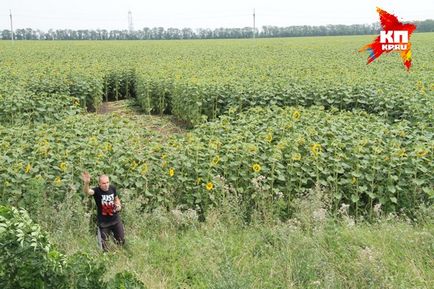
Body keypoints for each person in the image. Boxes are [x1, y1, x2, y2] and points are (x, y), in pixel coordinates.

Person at [81, 171, 125, 252]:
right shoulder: (97, 191)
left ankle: (119, 255)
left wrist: (118, 206)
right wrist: (86, 183)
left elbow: (116, 199)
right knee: (104, 247)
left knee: (121, 241)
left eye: (107, 182)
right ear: (99, 184)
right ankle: (106, 257)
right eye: (104, 183)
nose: (106, 185)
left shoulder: (112, 188)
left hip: (115, 220)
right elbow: (87, 192)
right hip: (104, 223)